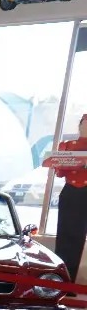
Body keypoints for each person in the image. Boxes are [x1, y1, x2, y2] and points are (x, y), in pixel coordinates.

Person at [53, 114, 87, 281]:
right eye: (84, 124)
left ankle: (70, 281)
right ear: (79, 126)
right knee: (65, 235)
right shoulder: (67, 146)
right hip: (71, 192)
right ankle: (61, 280)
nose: (85, 128)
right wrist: (61, 163)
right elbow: (59, 172)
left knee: (79, 236)